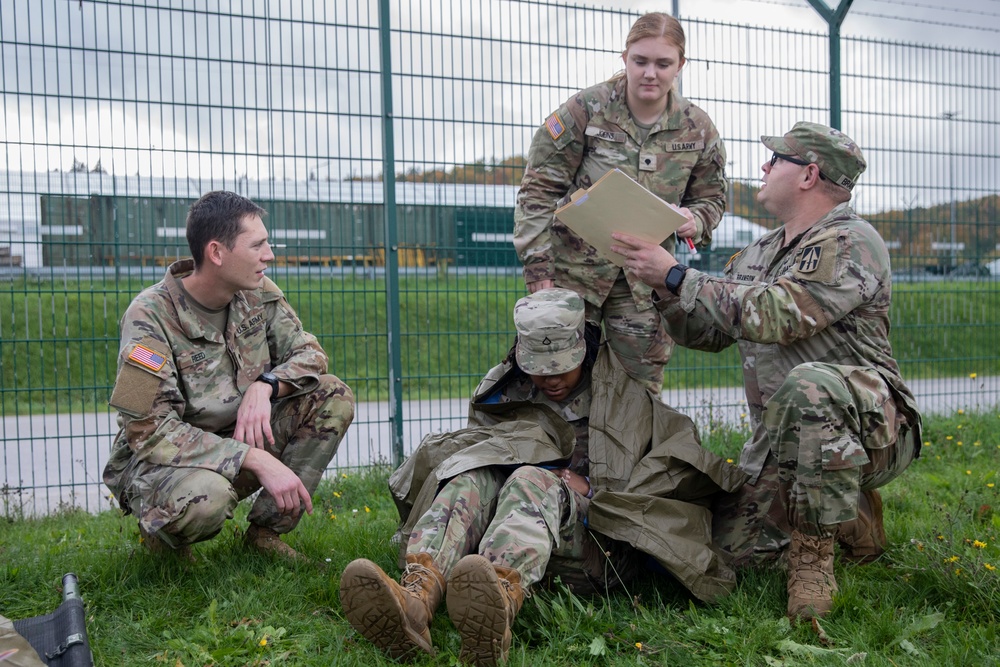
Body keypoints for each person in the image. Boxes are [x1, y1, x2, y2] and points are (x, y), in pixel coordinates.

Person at [610, 122, 922, 620]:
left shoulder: (851, 241)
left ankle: (813, 560)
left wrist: (677, 274)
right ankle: (851, 516)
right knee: (731, 557)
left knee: (811, 383)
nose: (764, 166)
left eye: (776, 159)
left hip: (874, 431)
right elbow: (709, 332)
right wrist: (662, 286)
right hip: (786, 440)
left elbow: (778, 313)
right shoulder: (758, 253)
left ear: (808, 175)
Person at [339, 288, 746, 666]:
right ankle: (417, 599)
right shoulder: (503, 391)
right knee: (472, 475)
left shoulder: (621, 399)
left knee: (532, 480)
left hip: (596, 547)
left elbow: (664, 479)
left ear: (583, 349)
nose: (551, 379)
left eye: (562, 367)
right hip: (513, 533)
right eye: (539, 368)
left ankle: (497, 601)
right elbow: (479, 455)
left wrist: (592, 489)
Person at [103, 191, 355, 560]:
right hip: (162, 462)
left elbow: (311, 355)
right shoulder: (148, 316)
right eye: (258, 245)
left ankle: (265, 535)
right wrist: (252, 458)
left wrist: (265, 386)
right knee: (208, 499)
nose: (269, 255)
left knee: (332, 396)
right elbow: (146, 430)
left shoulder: (257, 293)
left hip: (233, 435)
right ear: (217, 253)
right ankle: (164, 534)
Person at [513, 12, 728, 394]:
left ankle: (627, 457)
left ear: (681, 65)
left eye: (663, 63)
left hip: (645, 284)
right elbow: (538, 191)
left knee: (637, 393)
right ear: (624, 58)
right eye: (640, 61)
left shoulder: (698, 128)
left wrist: (696, 219)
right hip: (571, 277)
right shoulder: (587, 110)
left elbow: (711, 197)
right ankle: (558, 456)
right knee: (557, 383)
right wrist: (539, 268)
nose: (650, 73)